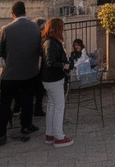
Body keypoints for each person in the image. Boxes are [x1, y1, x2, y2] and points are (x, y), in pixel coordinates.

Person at [0, 1, 41, 147]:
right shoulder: (35, 27)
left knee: (4, 104)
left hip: (11, 73)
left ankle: (0, 135)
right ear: (25, 12)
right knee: (28, 100)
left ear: (12, 14)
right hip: (31, 71)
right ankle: (26, 126)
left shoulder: (6, 29)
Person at [40, 18, 73, 147]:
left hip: (49, 79)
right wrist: (64, 65)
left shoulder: (48, 41)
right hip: (54, 79)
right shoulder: (51, 43)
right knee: (59, 106)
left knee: (52, 105)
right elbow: (51, 62)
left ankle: (50, 134)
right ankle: (59, 136)